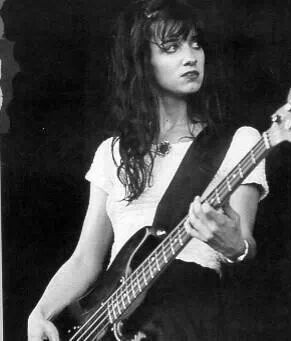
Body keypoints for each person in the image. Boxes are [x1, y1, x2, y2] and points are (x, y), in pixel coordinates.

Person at [28, 0, 268, 340]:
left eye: (195, 43)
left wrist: (235, 247)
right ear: (142, 61)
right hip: (113, 325)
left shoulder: (238, 142)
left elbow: (244, 246)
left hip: (188, 316)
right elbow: (85, 259)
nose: (191, 56)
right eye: (171, 47)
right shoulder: (112, 153)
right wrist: (39, 313)